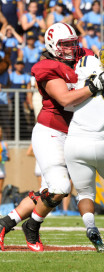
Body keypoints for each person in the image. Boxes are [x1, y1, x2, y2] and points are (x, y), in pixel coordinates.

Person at [0, 23, 102, 252]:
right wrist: (93, 86)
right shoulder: (47, 67)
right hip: (51, 132)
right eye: (64, 44)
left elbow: (95, 62)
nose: (70, 48)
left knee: (49, 190)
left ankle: (3, 223)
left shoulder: (83, 55)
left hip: (75, 134)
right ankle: (31, 227)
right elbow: (66, 100)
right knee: (60, 187)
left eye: (72, 43)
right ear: (51, 45)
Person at [64, 52, 104, 252]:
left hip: (77, 140)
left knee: (85, 193)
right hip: (102, 140)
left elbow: (68, 100)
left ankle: (90, 227)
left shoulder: (85, 63)